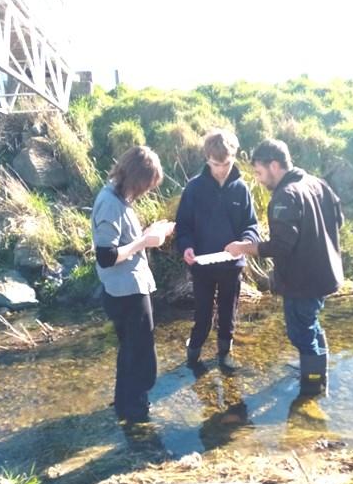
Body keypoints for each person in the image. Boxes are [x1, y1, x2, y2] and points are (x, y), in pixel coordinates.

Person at [225, 139, 344, 395]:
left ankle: (312, 386)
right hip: (324, 275)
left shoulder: (285, 196)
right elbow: (339, 220)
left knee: (301, 333)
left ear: (274, 165)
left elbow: (280, 246)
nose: (258, 180)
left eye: (259, 172)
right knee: (310, 323)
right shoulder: (317, 183)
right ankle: (319, 374)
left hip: (302, 281)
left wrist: (243, 247)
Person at [91, 146, 175, 423]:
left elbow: (123, 241)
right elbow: (106, 256)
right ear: (135, 178)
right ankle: (135, 411)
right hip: (125, 291)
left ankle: (125, 404)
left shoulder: (118, 197)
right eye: (146, 185)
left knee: (131, 350)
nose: (146, 191)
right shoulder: (110, 203)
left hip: (128, 287)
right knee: (141, 353)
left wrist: (151, 233)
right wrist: (145, 241)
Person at [175, 129, 259, 374]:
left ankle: (225, 355)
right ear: (207, 159)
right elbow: (183, 226)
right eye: (215, 164)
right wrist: (186, 247)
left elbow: (251, 225)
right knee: (202, 315)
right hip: (201, 265)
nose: (221, 169)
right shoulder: (194, 188)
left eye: (226, 164)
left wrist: (245, 242)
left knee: (228, 313)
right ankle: (193, 357)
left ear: (234, 158)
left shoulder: (241, 189)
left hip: (232, 265)